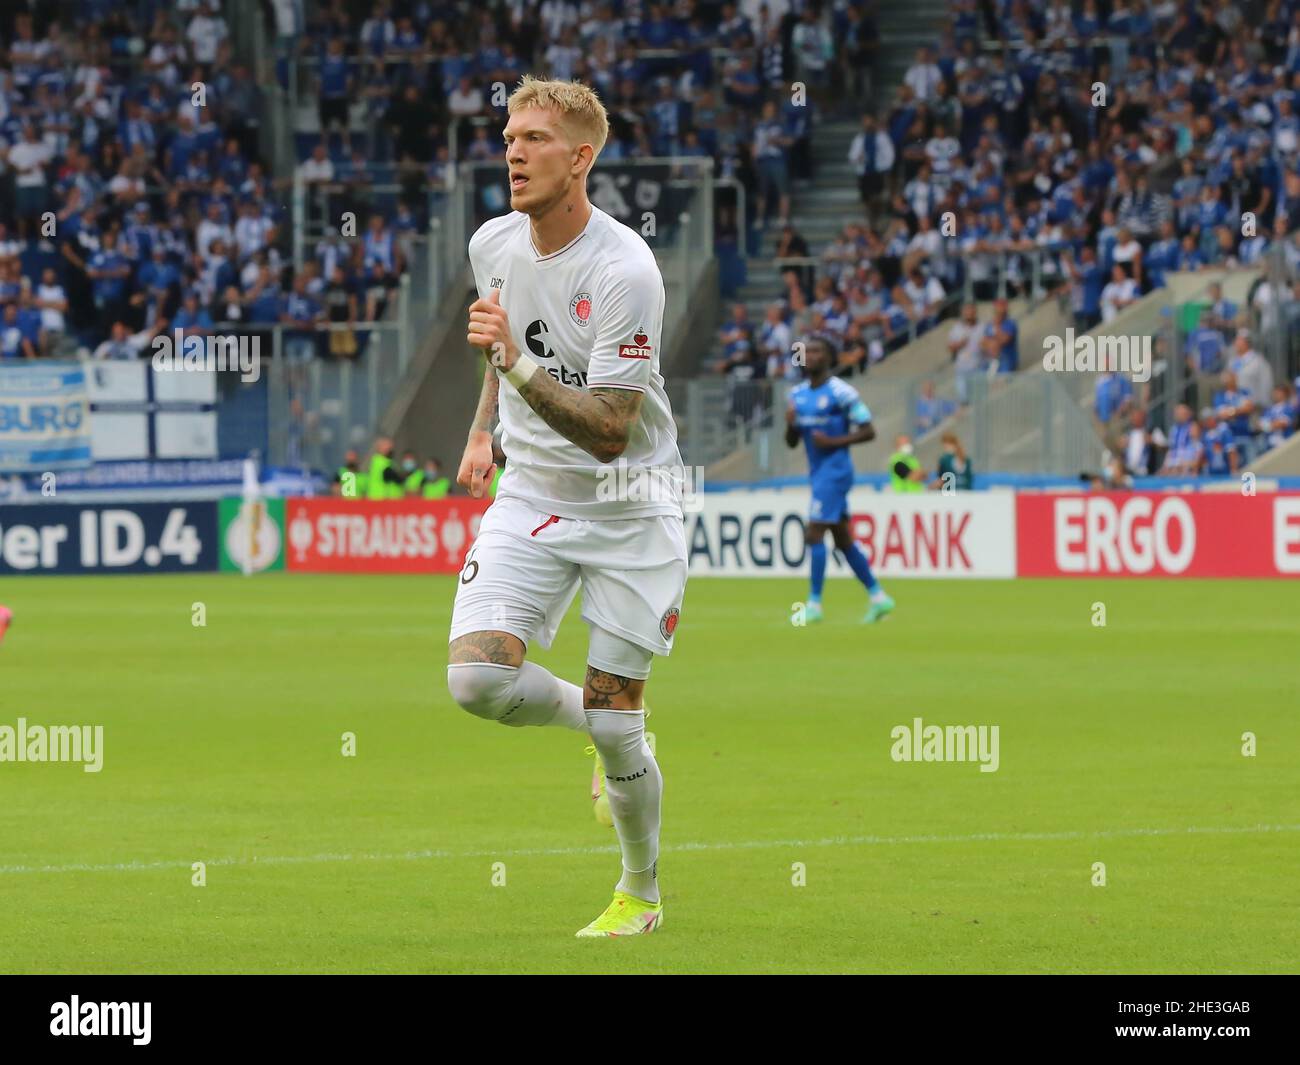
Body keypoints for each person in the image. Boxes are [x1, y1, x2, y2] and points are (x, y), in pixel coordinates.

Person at [447, 77, 686, 939]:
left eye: (536, 137)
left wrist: (512, 369)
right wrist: (485, 430)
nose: (513, 149)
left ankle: (641, 892)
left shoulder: (625, 269)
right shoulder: (492, 243)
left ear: (580, 157)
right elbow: (495, 341)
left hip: (631, 504)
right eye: (509, 134)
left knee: (619, 721)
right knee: (476, 678)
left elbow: (612, 431)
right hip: (532, 494)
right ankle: (589, 723)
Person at [784, 335, 893, 624]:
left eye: (818, 351)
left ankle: (814, 606)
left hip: (836, 471)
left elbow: (869, 430)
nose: (810, 355)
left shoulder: (842, 393)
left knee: (814, 533)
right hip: (818, 473)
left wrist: (833, 441)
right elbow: (792, 442)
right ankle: (879, 597)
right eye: (807, 351)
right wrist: (790, 423)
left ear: (829, 358)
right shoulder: (796, 395)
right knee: (843, 540)